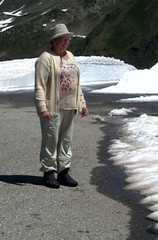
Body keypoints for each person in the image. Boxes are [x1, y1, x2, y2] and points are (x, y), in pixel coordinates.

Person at [34, 23, 89, 189]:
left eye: (68, 39)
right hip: (53, 107)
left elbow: (77, 83)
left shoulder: (71, 56)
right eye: (64, 39)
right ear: (55, 40)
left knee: (66, 140)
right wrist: (42, 107)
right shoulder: (45, 59)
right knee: (51, 139)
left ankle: (63, 172)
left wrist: (82, 103)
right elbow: (40, 86)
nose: (67, 42)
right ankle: (49, 172)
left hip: (70, 106)